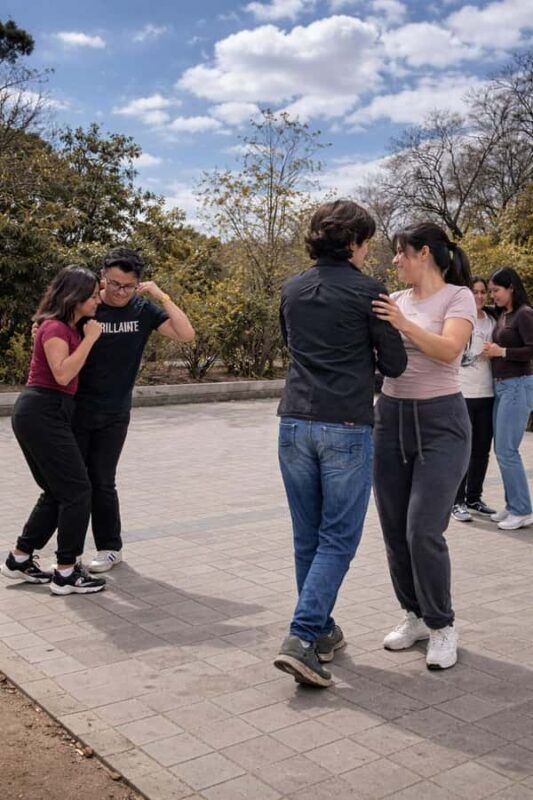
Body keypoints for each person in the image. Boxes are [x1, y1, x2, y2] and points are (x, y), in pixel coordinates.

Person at [273, 200, 407, 687]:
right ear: (352, 242)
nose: (369, 250)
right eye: (367, 240)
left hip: (293, 422)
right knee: (337, 538)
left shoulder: (292, 288)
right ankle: (302, 635)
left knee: (307, 536)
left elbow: (292, 345)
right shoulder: (370, 292)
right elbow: (394, 364)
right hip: (345, 425)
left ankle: (323, 631)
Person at [372, 222, 476, 670]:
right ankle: (413, 615)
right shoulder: (393, 301)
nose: (395, 261)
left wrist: (402, 325)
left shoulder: (459, 297)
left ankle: (442, 625)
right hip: (390, 420)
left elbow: (450, 349)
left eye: (401, 252)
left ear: (426, 253)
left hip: (442, 421)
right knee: (395, 530)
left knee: (422, 530)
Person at [72, 247, 195, 573]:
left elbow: (186, 334)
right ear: (102, 278)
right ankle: (67, 554)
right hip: (76, 408)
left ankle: (110, 548)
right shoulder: (87, 305)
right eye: (113, 284)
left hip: (115, 412)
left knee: (102, 480)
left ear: (138, 285)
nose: (119, 292)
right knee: (73, 483)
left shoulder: (142, 310)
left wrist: (161, 295)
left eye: (127, 286)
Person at [1, 266, 107, 595]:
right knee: (78, 490)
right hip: (42, 410)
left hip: (47, 412)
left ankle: (19, 559)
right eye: (91, 296)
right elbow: (62, 374)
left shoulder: (66, 326)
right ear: (74, 297)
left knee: (57, 490)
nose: (97, 302)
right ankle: (65, 572)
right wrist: (91, 340)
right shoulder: (55, 328)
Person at [484, 267, 533, 530]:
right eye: (491, 291)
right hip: (502, 387)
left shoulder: (524, 314)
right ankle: (513, 504)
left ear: (511, 287)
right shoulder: (505, 315)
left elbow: (531, 349)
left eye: (496, 290)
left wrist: (501, 352)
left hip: (517, 386)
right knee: (502, 449)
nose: (493, 295)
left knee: (507, 450)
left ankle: (523, 510)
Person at [452, 277, 496, 522]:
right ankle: (456, 501)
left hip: (488, 392)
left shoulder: (492, 320)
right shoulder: (459, 320)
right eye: (475, 292)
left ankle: (474, 498)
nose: (479, 297)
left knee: (481, 449)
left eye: (483, 293)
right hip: (463, 393)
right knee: (463, 450)